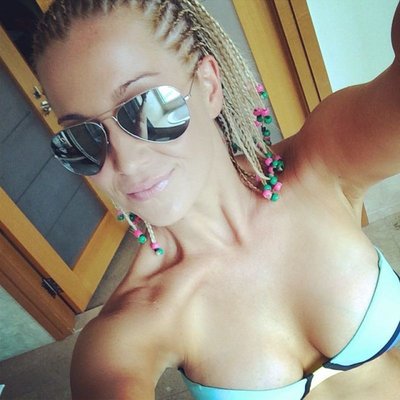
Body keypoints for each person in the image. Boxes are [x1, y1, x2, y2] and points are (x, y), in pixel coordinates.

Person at [32, 0, 400, 399]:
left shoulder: (321, 164)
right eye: (82, 137)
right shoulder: (130, 326)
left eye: (147, 107)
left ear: (208, 86)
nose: (126, 162)